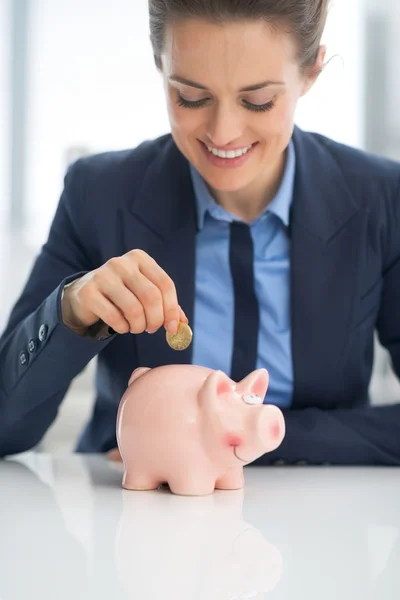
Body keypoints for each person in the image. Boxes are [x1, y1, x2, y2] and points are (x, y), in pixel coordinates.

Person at [0, 0, 399, 465]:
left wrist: (256, 437)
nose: (223, 132)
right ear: (159, 64)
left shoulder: (381, 200)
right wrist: (69, 311)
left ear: (310, 72)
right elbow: (6, 429)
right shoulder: (99, 195)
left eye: (257, 100)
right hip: (127, 515)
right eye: (191, 96)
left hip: (320, 514)